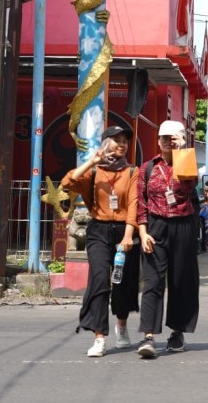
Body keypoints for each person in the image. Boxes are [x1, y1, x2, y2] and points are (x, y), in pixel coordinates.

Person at [62, 126, 140, 357]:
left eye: (124, 141)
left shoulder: (132, 171)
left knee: (123, 282)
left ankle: (122, 326)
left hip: (125, 231)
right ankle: (99, 337)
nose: (121, 144)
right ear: (105, 143)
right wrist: (92, 161)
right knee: (99, 280)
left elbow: (134, 203)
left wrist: (128, 236)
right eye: (115, 140)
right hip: (99, 230)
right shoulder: (94, 172)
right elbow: (68, 183)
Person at [135, 120, 200, 359]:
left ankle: (177, 332)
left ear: (181, 139)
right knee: (152, 281)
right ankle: (148, 336)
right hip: (155, 226)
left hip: (183, 225)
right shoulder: (148, 167)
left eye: (173, 138)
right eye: (164, 137)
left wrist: (182, 152)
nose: (167, 142)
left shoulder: (187, 162)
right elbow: (140, 201)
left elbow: (188, 185)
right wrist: (143, 231)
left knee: (181, 280)